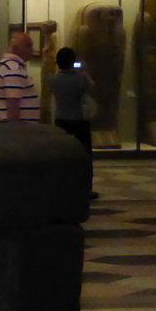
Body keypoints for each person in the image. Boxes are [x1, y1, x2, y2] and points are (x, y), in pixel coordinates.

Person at [51, 47, 99, 199]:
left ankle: (61, 185)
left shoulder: (53, 79)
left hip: (61, 119)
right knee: (84, 155)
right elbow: (93, 88)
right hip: (79, 120)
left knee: (61, 155)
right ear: (72, 62)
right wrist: (84, 71)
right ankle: (86, 188)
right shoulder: (79, 78)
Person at [0, 32, 39, 122]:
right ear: (16, 48)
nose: (32, 50)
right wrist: (15, 132)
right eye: (28, 46)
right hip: (16, 128)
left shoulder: (3, 65)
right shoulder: (13, 69)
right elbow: (13, 105)